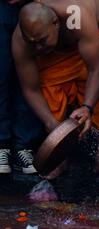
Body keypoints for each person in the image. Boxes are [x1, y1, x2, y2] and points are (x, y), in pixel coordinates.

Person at [12, 0, 99, 180]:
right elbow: (30, 89)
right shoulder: (21, 40)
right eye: (32, 43)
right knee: (48, 87)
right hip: (62, 49)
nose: (38, 48)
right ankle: (60, 157)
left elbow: (96, 69)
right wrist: (52, 125)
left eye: (42, 41)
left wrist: (87, 107)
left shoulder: (77, 15)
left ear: (56, 23)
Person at [0, 0, 42, 175]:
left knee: (28, 76)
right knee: (1, 74)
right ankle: (2, 146)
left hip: (31, 6)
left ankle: (24, 145)